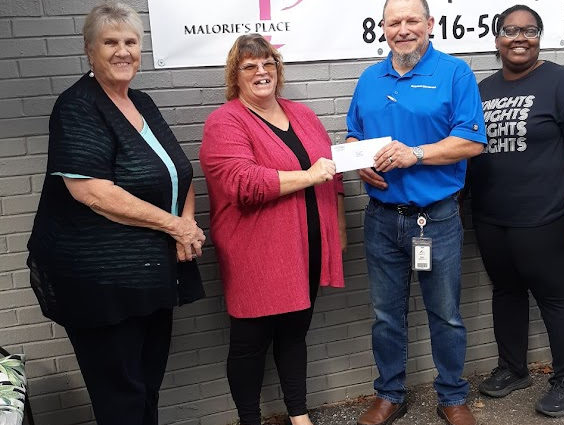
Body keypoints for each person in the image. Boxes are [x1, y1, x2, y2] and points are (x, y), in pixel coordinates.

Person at [25, 3, 206, 425]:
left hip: (149, 275)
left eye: (130, 42)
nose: (122, 51)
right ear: (90, 50)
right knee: (120, 397)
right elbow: (92, 192)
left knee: (146, 384)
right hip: (98, 283)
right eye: (110, 42)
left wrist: (186, 227)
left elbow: (178, 172)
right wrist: (175, 225)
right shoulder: (77, 106)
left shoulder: (141, 100)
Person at [346, 1, 487, 424]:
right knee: (386, 315)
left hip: (437, 217)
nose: (403, 29)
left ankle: (452, 395)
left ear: (430, 24)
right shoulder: (370, 78)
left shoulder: (454, 73)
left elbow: (472, 142)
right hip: (382, 217)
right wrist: (360, 161)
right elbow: (355, 133)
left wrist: (417, 154)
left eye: (412, 21)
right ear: (382, 29)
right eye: (394, 22)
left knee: (445, 314)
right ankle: (390, 393)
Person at [467, 4, 564, 418]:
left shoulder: (563, 82)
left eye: (529, 30)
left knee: (555, 298)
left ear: (540, 37)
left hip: (547, 217)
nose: (519, 38)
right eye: (510, 30)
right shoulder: (483, 89)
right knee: (505, 293)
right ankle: (513, 369)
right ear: (497, 39)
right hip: (492, 217)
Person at [199, 34, 346, 425]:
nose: (261, 72)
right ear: (236, 76)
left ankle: (298, 414)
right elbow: (241, 183)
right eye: (250, 66)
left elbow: (332, 174)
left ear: (279, 71)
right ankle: (249, 418)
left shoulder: (303, 115)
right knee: (250, 344)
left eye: (269, 64)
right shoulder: (225, 121)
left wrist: (339, 228)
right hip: (256, 254)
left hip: (307, 248)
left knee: (295, 333)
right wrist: (307, 175)